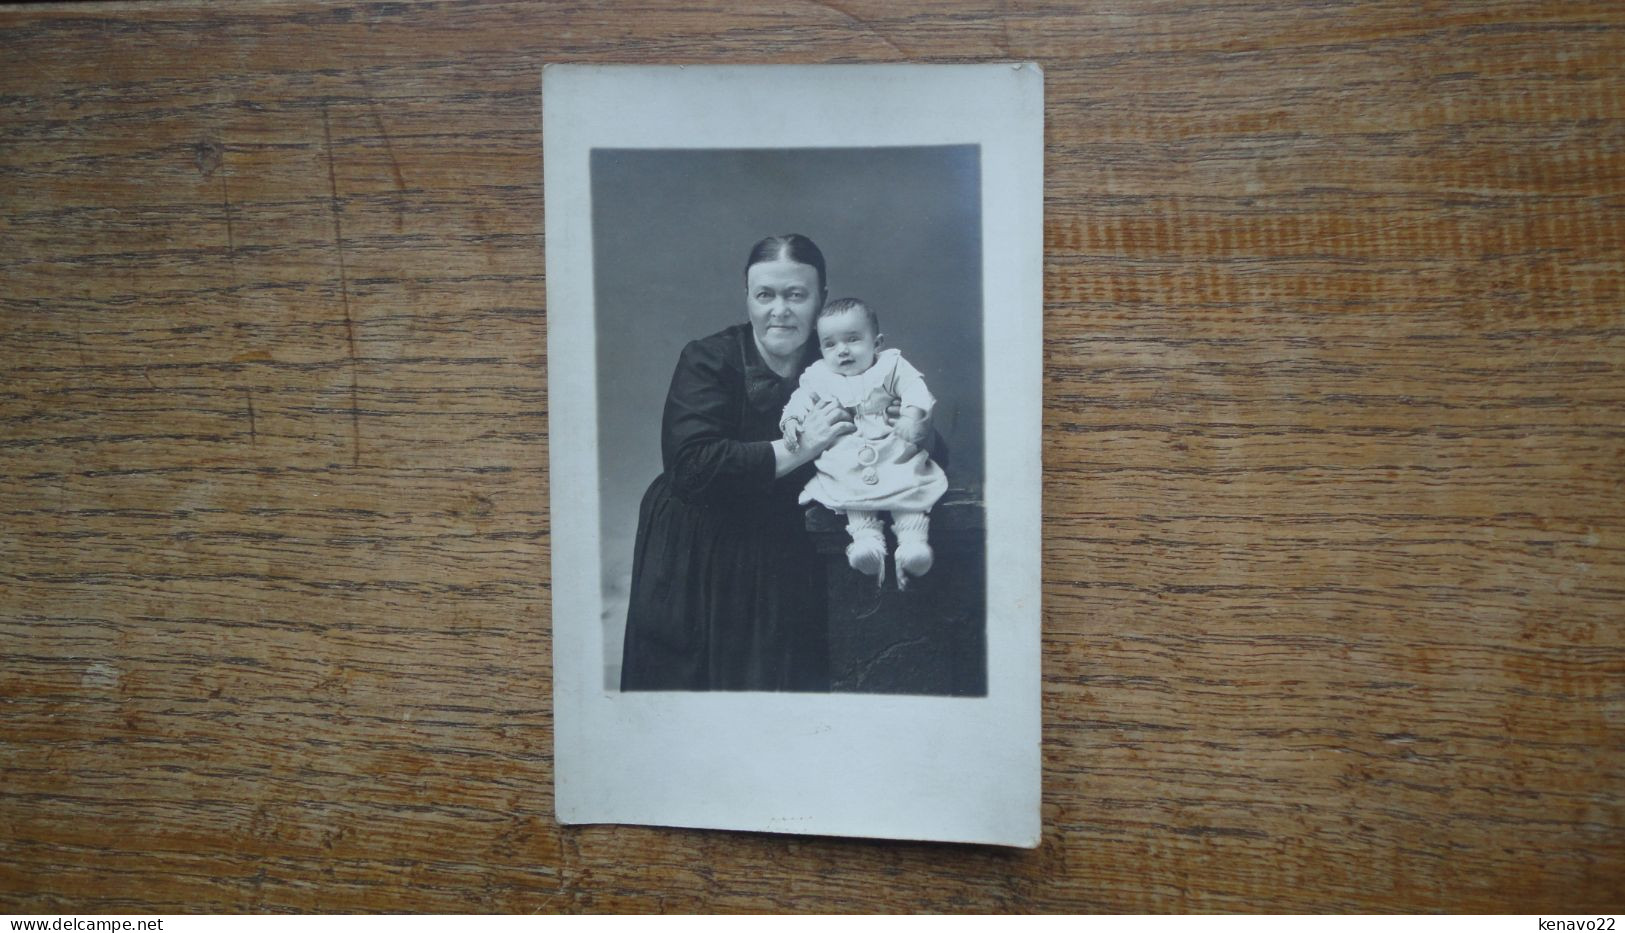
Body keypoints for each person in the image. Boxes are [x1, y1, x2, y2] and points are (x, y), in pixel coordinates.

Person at [619, 234, 858, 692]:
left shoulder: (841, 357)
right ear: (746, 296)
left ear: (821, 299)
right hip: (701, 551)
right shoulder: (707, 359)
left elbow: (907, 441)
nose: (779, 310)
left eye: (796, 295)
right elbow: (692, 467)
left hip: (789, 551)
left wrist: (908, 423)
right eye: (765, 295)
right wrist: (800, 447)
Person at [779, 298, 948, 589]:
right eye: (830, 344)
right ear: (821, 349)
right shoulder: (818, 376)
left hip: (893, 446)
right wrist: (793, 420)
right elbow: (800, 400)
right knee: (849, 486)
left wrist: (911, 415)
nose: (842, 350)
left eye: (853, 339)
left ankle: (914, 544)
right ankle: (866, 542)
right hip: (847, 452)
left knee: (907, 482)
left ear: (876, 342)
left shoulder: (892, 365)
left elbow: (915, 389)